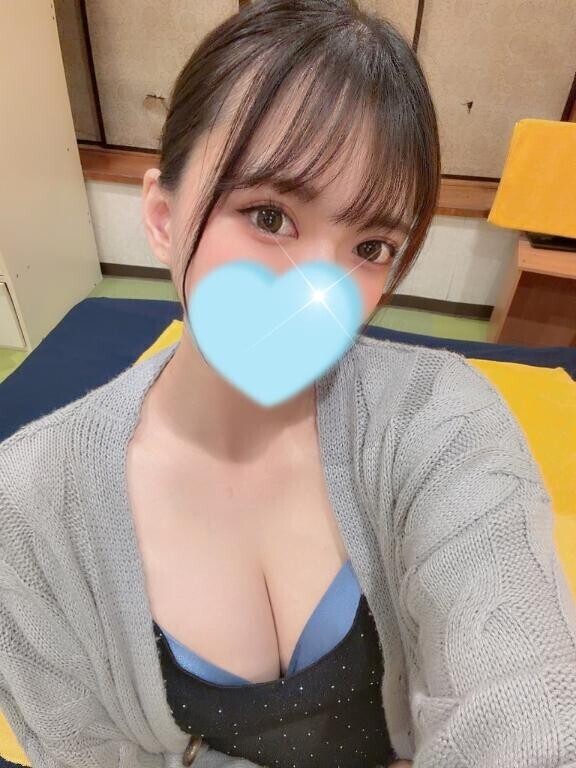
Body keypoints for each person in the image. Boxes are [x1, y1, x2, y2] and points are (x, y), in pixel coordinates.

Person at [0, 1, 575, 768]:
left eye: (371, 246)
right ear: (164, 217)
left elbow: (530, 704)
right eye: (269, 217)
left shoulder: (440, 421)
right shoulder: (28, 510)